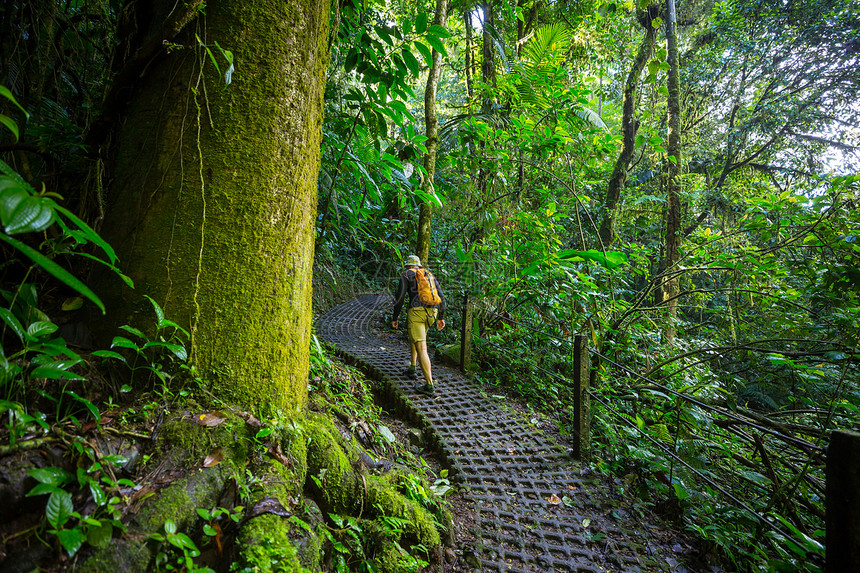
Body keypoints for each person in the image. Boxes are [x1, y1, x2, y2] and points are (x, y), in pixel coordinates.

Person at [391, 255, 446, 396]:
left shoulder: (406, 275)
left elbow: (400, 297)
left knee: (422, 347)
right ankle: (412, 368)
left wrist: (395, 317)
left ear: (408, 266)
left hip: (416, 313)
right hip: (432, 313)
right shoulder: (428, 274)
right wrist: (441, 317)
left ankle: (429, 386)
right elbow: (441, 297)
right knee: (415, 338)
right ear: (418, 265)